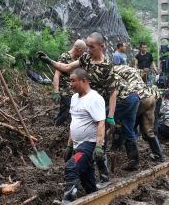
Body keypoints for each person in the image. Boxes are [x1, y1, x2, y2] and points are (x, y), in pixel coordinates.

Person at [39, 33, 117, 184]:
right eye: (87, 46)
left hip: (99, 107)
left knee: (99, 144)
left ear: (101, 47)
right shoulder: (86, 58)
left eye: (92, 47)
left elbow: (113, 92)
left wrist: (111, 115)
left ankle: (104, 177)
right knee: (82, 139)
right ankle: (85, 177)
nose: (88, 50)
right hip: (83, 103)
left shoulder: (107, 66)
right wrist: (49, 61)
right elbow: (67, 67)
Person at [63, 68, 106, 202]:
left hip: (89, 144)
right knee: (88, 182)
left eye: (73, 81)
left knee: (71, 166)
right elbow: (74, 122)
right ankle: (96, 203)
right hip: (78, 145)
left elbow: (101, 123)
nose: (70, 84)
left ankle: (68, 199)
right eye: (70, 81)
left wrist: (98, 146)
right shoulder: (74, 98)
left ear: (84, 81)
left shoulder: (95, 99)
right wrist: (69, 146)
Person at [110, 64, 145, 170]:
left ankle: (111, 153)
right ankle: (134, 162)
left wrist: (110, 115)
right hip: (136, 96)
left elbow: (113, 94)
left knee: (105, 122)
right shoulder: (129, 69)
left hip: (126, 98)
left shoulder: (110, 73)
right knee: (128, 128)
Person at [52, 40, 86, 127]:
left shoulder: (78, 60)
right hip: (65, 89)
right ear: (79, 50)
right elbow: (57, 75)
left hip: (74, 90)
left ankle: (60, 125)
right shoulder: (64, 57)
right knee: (68, 109)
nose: (82, 54)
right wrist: (56, 91)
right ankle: (57, 125)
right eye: (82, 52)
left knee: (67, 110)